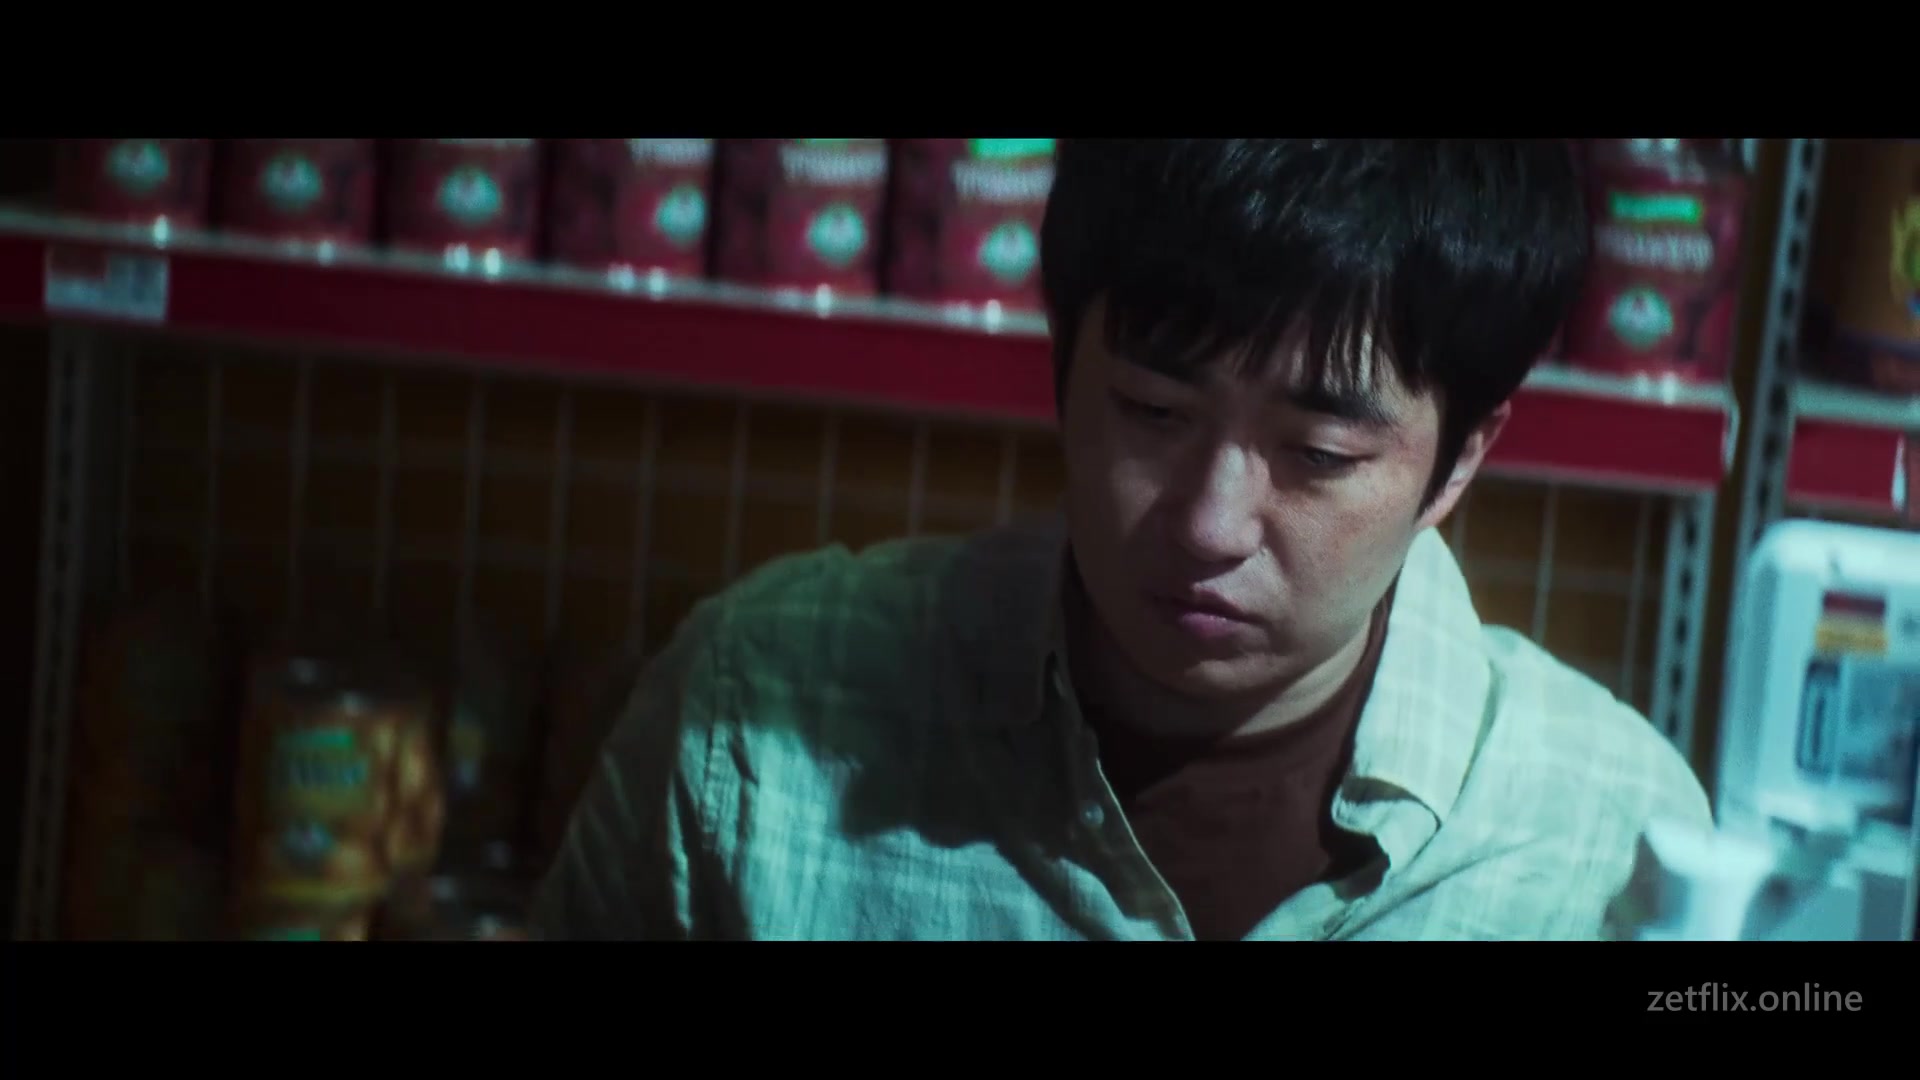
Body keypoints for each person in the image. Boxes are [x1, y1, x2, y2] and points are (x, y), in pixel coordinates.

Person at [532, 139, 1713, 941]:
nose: (1208, 525)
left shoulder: (1604, 842)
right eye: (1153, 411)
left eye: (1318, 455)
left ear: (1458, 460)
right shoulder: (759, 713)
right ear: (1061, 366)